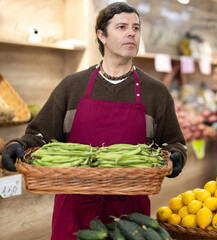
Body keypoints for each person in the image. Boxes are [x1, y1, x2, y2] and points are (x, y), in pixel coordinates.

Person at [1, 2, 186, 240]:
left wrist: (176, 156)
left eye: (136, 28)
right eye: (122, 27)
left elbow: (173, 142)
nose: (132, 33)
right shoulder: (72, 85)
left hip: (129, 214)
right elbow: (39, 135)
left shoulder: (156, 92)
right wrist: (16, 145)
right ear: (102, 35)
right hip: (74, 206)